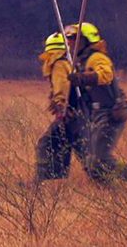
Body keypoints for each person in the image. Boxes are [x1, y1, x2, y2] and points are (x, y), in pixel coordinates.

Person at [63, 22, 127, 183]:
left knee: (100, 161)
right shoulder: (79, 62)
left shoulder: (97, 58)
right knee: (92, 162)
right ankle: (108, 191)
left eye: (74, 38)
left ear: (85, 40)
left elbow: (105, 75)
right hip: (96, 113)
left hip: (110, 113)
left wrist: (83, 78)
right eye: (69, 38)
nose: (69, 42)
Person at [35, 31, 89, 181]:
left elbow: (62, 87)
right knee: (81, 151)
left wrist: (60, 106)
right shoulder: (68, 63)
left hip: (68, 114)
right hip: (78, 113)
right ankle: (57, 179)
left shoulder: (58, 65)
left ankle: (44, 181)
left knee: (45, 144)